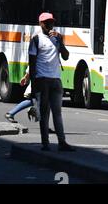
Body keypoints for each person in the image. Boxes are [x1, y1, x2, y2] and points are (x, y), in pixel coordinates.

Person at [28, 12, 75, 152]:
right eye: (47, 22)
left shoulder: (57, 38)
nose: (50, 25)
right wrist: (33, 87)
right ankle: (45, 143)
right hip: (42, 80)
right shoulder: (36, 40)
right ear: (41, 24)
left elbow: (66, 57)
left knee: (57, 112)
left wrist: (60, 41)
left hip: (56, 80)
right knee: (44, 113)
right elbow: (32, 63)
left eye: (52, 22)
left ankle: (62, 142)